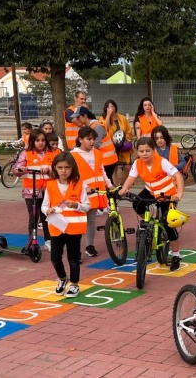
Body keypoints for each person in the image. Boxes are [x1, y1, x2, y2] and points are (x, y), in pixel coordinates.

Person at [118, 137, 184, 271]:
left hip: (166, 193)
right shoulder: (137, 163)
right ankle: (151, 223)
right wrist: (124, 189)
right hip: (151, 191)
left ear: (154, 151)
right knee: (137, 204)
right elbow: (131, 178)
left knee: (168, 222)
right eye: (141, 151)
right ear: (137, 152)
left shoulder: (162, 162)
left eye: (148, 150)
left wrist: (179, 194)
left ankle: (176, 255)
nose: (145, 154)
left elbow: (178, 176)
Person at [41, 152, 90, 298]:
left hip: (74, 228)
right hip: (56, 227)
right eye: (60, 167)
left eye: (67, 167)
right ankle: (62, 278)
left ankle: (74, 284)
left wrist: (77, 205)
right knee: (55, 257)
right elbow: (44, 206)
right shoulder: (50, 186)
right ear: (55, 168)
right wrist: (47, 210)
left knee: (73, 258)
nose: (63, 171)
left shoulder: (79, 185)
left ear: (72, 168)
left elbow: (87, 206)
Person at [71, 126, 114, 258]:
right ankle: (75, 250)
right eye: (88, 139)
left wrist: (109, 184)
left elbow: (102, 171)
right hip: (80, 193)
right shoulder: (73, 155)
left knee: (91, 221)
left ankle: (90, 246)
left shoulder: (97, 153)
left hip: (96, 192)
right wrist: (84, 187)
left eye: (93, 139)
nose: (92, 142)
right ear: (80, 139)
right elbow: (73, 175)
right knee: (78, 222)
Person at [13, 129, 54, 251]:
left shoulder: (52, 153)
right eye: (37, 140)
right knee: (33, 217)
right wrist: (21, 169)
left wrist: (49, 170)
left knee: (47, 216)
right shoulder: (26, 153)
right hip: (31, 191)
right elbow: (16, 170)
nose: (40, 143)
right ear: (32, 141)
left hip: (48, 190)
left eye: (43, 140)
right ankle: (31, 240)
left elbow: (59, 168)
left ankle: (49, 240)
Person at [70, 106, 119, 183]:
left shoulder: (97, 126)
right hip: (104, 158)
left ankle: (112, 194)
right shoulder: (90, 126)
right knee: (106, 181)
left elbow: (96, 144)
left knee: (105, 182)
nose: (76, 119)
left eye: (78, 117)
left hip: (108, 159)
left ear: (85, 116)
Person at [99, 100, 134, 185]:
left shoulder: (122, 118)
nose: (111, 108)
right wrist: (108, 115)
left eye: (112, 106)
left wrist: (126, 136)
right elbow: (105, 129)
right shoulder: (102, 118)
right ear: (106, 109)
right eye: (109, 107)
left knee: (128, 167)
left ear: (115, 107)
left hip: (123, 145)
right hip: (111, 147)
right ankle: (115, 187)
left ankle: (122, 186)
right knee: (113, 168)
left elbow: (129, 130)